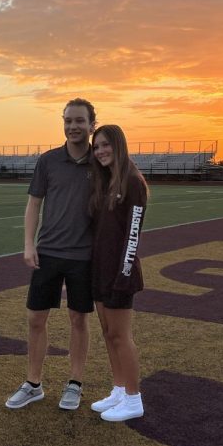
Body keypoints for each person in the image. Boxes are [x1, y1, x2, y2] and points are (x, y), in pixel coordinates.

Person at [5, 98, 96, 411]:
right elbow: (34, 204)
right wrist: (29, 244)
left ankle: (74, 383)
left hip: (84, 255)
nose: (73, 126)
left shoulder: (102, 162)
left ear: (91, 125)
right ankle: (33, 383)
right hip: (49, 252)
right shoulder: (48, 160)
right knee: (35, 318)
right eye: (68, 120)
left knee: (78, 319)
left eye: (80, 121)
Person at [88, 124, 148, 421]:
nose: (100, 151)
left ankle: (134, 399)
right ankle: (119, 389)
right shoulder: (106, 182)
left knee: (122, 336)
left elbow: (132, 234)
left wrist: (122, 275)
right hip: (99, 271)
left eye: (105, 145)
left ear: (118, 145)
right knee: (108, 333)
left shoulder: (133, 182)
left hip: (120, 274)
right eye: (96, 146)